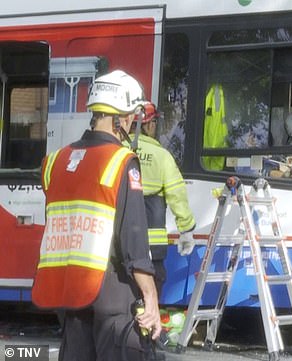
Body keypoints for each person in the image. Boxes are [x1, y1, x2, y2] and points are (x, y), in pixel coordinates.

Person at [31, 70, 162, 361]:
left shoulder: (54, 163)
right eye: (131, 115)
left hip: (70, 294)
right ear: (122, 117)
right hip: (111, 294)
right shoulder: (121, 162)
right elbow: (133, 238)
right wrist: (150, 297)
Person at [132, 101, 197, 298]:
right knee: (150, 300)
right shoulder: (161, 156)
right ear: (150, 125)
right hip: (152, 251)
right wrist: (186, 230)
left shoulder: (116, 152)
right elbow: (177, 195)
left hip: (119, 248)